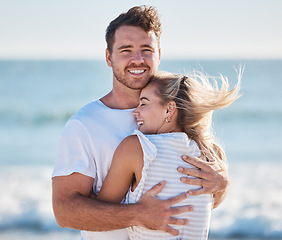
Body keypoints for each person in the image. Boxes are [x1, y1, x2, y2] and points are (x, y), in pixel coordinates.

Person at [52, 5, 230, 240]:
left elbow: (197, 199)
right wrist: (137, 214)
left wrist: (222, 185)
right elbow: (65, 212)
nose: (137, 59)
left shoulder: (179, 113)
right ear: (108, 57)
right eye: (126, 50)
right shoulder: (85, 125)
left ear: (159, 54)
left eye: (146, 49)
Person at [96, 71, 241, 239]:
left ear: (169, 110)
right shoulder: (209, 156)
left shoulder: (138, 148)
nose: (135, 112)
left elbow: (100, 214)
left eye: (143, 104)